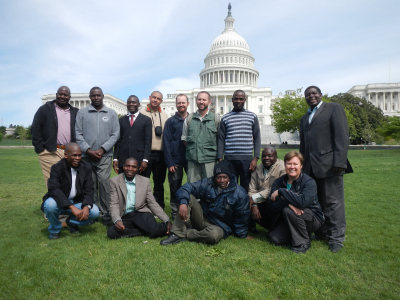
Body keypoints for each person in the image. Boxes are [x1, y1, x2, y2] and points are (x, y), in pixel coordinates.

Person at [300, 86, 353, 253]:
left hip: (330, 165)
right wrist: (302, 166)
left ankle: (336, 238)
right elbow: (304, 145)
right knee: (316, 202)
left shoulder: (333, 108)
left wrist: (340, 161)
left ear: (321, 95)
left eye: (314, 93)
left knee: (333, 203)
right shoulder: (304, 117)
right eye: (308, 94)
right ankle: (322, 233)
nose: (311, 96)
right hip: (310, 167)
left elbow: (342, 136)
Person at [160, 160, 251, 246]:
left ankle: (185, 234)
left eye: (225, 177)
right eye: (219, 177)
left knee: (213, 236)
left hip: (219, 226)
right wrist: (183, 203)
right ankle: (176, 234)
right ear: (215, 177)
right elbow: (186, 187)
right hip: (202, 217)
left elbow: (242, 216)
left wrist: (241, 234)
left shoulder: (239, 193)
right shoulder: (207, 183)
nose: (222, 180)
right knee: (189, 197)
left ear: (229, 177)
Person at [75, 86, 120, 226]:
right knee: (90, 186)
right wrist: (88, 150)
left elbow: (115, 134)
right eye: (93, 95)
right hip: (86, 156)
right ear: (90, 97)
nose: (96, 98)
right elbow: (78, 133)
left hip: (105, 156)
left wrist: (102, 149)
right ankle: (93, 213)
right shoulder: (82, 113)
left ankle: (106, 214)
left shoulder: (111, 113)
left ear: (102, 96)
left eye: (98, 95)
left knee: (104, 183)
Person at [266, 151, 324, 254]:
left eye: (295, 164)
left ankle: (303, 243)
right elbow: (271, 205)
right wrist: (288, 203)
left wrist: (281, 192)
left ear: (301, 166)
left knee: (288, 210)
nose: (292, 167)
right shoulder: (278, 182)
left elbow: (302, 203)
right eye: (289, 163)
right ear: (285, 165)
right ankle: (299, 234)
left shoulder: (309, 182)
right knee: (275, 238)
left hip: (312, 218)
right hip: (289, 218)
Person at [42, 143, 100, 240]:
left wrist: (86, 206)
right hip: (60, 203)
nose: (77, 158)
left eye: (79, 155)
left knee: (94, 212)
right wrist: (71, 207)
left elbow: (89, 189)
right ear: (66, 155)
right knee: (49, 205)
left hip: (78, 202)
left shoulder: (86, 167)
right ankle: (55, 230)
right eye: (74, 155)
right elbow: (53, 189)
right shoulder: (56, 168)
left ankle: (71, 222)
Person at [107, 158, 172, 239]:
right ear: (123, 167)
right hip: (125, 216)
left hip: (141, 213)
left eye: (133, 167)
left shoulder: (145, 181)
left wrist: (166, 220)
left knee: (154, 231)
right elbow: (114, 204)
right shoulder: (114, 181)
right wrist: (117, 220)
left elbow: (152, 203)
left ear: (137, 168)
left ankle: (164, 227)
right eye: (127, 166)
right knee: (112, 232)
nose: (130, 169)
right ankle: (143, 231)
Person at [32, 86, 79, 185]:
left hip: (69, 152)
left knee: (69, 183)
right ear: (56, 95)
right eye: (60, 94)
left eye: (65, 95)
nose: (62, 96)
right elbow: (36, 129)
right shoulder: (45, 109)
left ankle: (64, 201)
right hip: (50, 151)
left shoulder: (75, 112)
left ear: (69, 97)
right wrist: (40, 149)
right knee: (53, 183)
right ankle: (54, 200)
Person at [217, 90, 261, 191]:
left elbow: (257, 137)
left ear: (245, 100)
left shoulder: (252, 116)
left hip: (247, 160)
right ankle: (232, 206)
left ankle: (245, 206)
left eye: (241, 99)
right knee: (231, 186)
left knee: (246, 186)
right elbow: (221, 139)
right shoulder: (225, 118)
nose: (238, 101)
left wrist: (255, 158)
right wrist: (220, 159)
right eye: (236, 99)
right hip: (230, 159)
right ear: (232, 100)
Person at [181, 91, 220, 183]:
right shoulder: (189, 118)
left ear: (209, 102)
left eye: (204, 100)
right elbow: (184, 139)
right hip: (193, 160)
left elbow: (220, 139)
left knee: (210, 189)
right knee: (193, 190)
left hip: (210, 160)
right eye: (199, 99)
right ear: (196, 101)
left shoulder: (216, 119)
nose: (201, 102)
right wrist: (194, 150)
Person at [140, 91, 169, 209]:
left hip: (161, 154)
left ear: (161, 101)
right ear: (150, 98)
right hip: (146, 153)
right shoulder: (141, 113)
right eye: (154, 97)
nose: (155, 100)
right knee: (143, 182)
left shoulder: (165, 115)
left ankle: (158, 206)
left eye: (158, 98)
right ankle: (142, 205)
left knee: (159, 183)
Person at [163, 94, 189, 219]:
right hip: (175, 161)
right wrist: (169, 162)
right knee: (174, 187)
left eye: (183, 103)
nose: (181, 105)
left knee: (193, 186)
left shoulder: (192, 120)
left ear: (187, 104)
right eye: (179, 103)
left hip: (191, 160)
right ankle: (175, 213)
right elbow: (166, 142)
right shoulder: (170, 122)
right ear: (176, 104)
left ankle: (191, 211)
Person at [248, 147, 286, 230]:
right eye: (264, 156)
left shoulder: (283, 168)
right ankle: (271, 228)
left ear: (276, 157)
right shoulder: (257, 168)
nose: (266, 158)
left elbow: (276, 188)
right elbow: (252, 189)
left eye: (270, 156)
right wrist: (254, 205)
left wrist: (254, 198)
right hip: (260, 202)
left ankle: (277, 228)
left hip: (276, 201)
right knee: (248, 206)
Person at [113, 95, 152, 174]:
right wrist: (115, 159)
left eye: (134, 102)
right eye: (129, 102)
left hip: (139, 159)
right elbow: (118, 140)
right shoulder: (121, 120)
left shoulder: (146, 120)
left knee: (139, 184)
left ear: (138, 104)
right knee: (122, 183)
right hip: (123, 158)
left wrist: (145, 160)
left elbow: (148, 142)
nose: (131, 104)